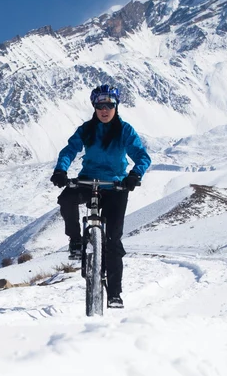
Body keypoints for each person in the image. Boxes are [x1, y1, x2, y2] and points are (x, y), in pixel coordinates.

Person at [50, 84, 151, 309]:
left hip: (116, 185)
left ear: (116, 106)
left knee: (114, 241)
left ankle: (114, 293)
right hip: (88, 180)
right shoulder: (87, 129)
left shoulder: (125, 130)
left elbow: (142, 156)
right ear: (94, 107)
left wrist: (134, 175)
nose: (104, 110)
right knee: (66, 199)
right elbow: (69, 150)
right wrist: (60, 170)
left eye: (109, 105)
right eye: (99, 105)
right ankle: (76, 240)